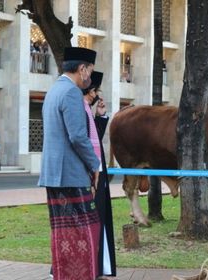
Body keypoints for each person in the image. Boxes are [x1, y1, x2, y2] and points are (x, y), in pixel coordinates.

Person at [38, 47, 101, 280]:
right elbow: (77, 136)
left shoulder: (54, 90)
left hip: (55, 174)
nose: (90, 77)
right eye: (90, 71)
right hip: (71, 174)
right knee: (84, 233)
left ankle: (62, 275)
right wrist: (94, 165)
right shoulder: (72, 93)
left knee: (63, 233)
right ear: (82, 68)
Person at [82, 71, 116, 278]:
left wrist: (100, 117)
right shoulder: (78, 107)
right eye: (94, 91)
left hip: (96, 171)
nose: (95, 95)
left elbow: (92, 137)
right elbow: (81, 141)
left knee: (98, 218)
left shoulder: (87, 109)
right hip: (89, 174)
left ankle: (97, 265)